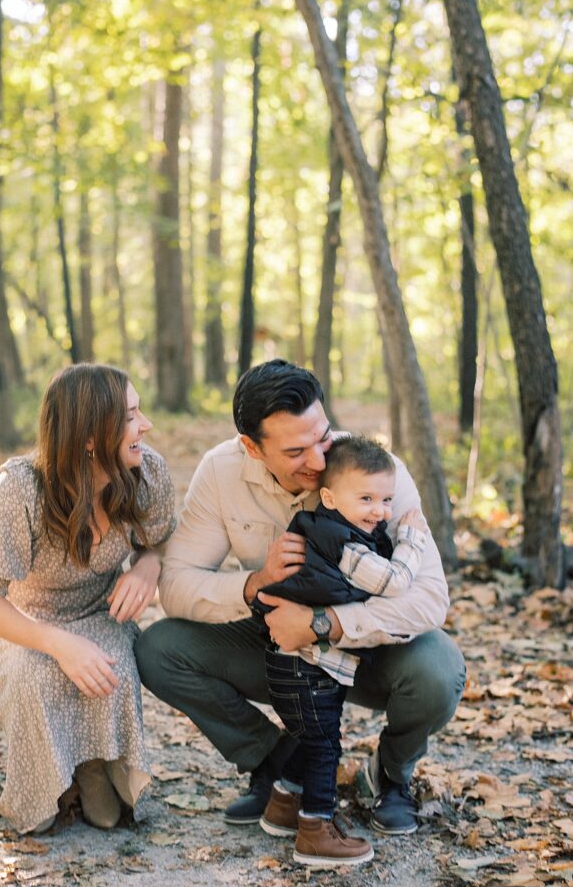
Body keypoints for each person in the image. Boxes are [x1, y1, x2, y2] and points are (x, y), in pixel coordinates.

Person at [136, 359, 465, 842]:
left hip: (367, 644)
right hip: (281, 645)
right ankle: (279, 766)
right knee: (158, 649)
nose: (317, 460)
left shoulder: (374, 470)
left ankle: (391, 775)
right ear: (252, 447)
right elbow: (178, 585)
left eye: (322, 436)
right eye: (295, 450)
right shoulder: (221, 472)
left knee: (440, 671)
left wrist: (325, 622)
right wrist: (256, 584)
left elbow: (432, 598)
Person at [0, 363, 175, 835]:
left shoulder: (144, 471)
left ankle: (92, 764)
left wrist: (147, 565)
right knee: (38, 671)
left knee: (112, 661)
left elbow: (160, 538)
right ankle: (48, 786)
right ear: (91, 437)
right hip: (15, 622)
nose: (146, 426)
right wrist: (56, 642)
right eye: (131, 416)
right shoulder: (20, 489)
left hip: (95, 611)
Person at [254, 435, 429, 866]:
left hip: (302, 664)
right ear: (330, 497)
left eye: (386, 499)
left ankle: (282, 807)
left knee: (311, 737)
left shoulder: (331, 529)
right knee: (324, 746)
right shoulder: (346, 545)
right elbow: (394, 582)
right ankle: (316, 830)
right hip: (306, 666)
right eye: (366, 498)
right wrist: (410, 540)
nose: (379, 511)